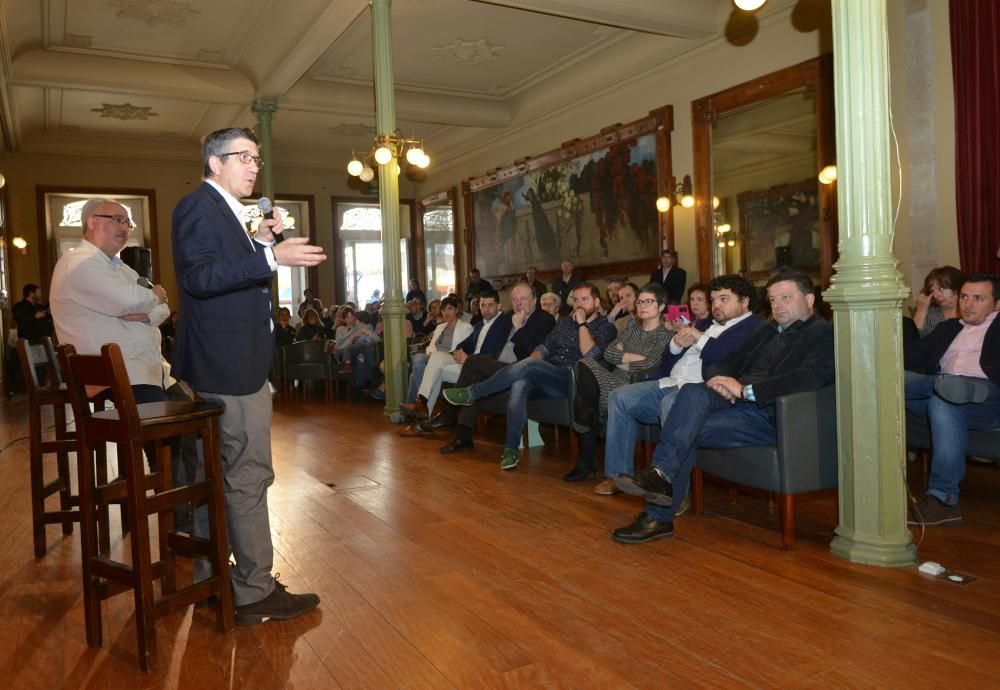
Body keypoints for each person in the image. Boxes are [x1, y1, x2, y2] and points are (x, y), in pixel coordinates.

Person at [171, 126, 324, 625]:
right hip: (229, 367)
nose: (254, 166)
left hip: (227, 361)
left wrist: (259, 241)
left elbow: (224, 271)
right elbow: (199, 279)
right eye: (243, 157)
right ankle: (254, 591)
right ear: (214, 163)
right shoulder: (199, 206)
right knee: (248, 477)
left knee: (213, 475)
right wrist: (271, 256)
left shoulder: (227, 214)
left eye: (257, 159)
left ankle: (209, 576)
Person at [612, 269, 834, 544]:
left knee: (684, 425)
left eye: (786, 297)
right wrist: (720, 379)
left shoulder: (822, 333)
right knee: (692, 395)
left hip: (774, 415)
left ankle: (658, 510)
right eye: (773, 299)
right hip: (739, 404)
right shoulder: (767, 330)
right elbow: (731, 360)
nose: (777, 305)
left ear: (810, 300)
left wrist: (746, 389)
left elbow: (810, 377)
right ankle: (660, 488)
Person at [595, 274, 759, 496]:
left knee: (672, 404)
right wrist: (675, 343)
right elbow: (669, 359)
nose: (716, 305)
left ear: (744, 301)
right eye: (714, 300)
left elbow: (727, 357)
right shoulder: (706, 322)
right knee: (620, 397)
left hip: (700, 391)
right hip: (669, 381)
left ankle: (673, 490)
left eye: (724, 299)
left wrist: (698, 336)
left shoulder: (753, 328)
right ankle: (617, 475)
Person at [444, 283, 616, 470]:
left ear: (597, 302)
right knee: (521, 382)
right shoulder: (565, 323)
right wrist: (530, 366)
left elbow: (590, 355)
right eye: (575, 300)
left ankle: (472, 393)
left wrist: (582, 323)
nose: (579, 304)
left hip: (572, 378)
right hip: (547, 373)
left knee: (529, 365)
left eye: (585, 299)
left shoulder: (606, 327)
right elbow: (543, 348)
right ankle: (510, 450)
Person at [904, 274, 1000, 527]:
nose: (968, 304)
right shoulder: (949, 328)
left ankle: (942, 499)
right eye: (965, 297)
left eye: (978, 299)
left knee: (945, 397)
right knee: (909, 384)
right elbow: (911, 358)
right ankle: (943, 385)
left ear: (997, 303)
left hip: (987, 398)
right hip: (939, 388)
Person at [565, 283, 671, 482]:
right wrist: (633, 357)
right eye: (639, 301)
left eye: (648, 301)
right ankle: (589, 423)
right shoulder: (632, 328)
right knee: (585, 362)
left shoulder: (665, 335)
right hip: (612, 380)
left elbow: (651, 363)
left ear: (662, 306)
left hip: (634, 387)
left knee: (588, 397)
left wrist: (623, 358)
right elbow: (608, 352)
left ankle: (587, 441)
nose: (642, 305)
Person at [436, 283, 556, 446]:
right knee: (476, 373)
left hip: (521, 369)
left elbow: (534, 356)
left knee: (473, 361)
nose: (518, 303)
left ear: (534, 301)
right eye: (514, 299)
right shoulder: (507, 317)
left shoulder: (545, 320)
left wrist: (520, 328)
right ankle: (464, 436)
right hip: (499, 365)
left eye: (523, 299)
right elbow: (498, 347)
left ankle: (450, 413)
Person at [400, 288, 510, 433]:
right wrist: (458, 352)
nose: (486, 309)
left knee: (435, 363)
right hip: (465, 365)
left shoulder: (503, 324)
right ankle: (424, 412)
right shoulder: (479, 325)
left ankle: (423, 410)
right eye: (483, 305)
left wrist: (468, 358)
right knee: (437, 365)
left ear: (499, 306)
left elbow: (492, 355)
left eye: (490, 305)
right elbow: (463, 345)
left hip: (483, 370)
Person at [399, 296, 474, 420]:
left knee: (414, 375)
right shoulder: (440, 327)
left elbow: (463, 350)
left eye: (450, 309)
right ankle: (421, 409)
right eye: (444, 310)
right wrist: (430, 353)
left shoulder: (466, 327)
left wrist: (436, 354)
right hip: (435, 358)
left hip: (452, 358)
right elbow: (430, 346)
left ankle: (419, 405)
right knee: (418, 358)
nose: (446, 312)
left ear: (456, 310)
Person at [913, 265, 963, 337]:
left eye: (941, 289)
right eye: (932, 291)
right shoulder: (931, 313)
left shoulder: (969, 310)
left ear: (956, 287)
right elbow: (915, 339)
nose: (936, 295)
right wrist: (921, 311)